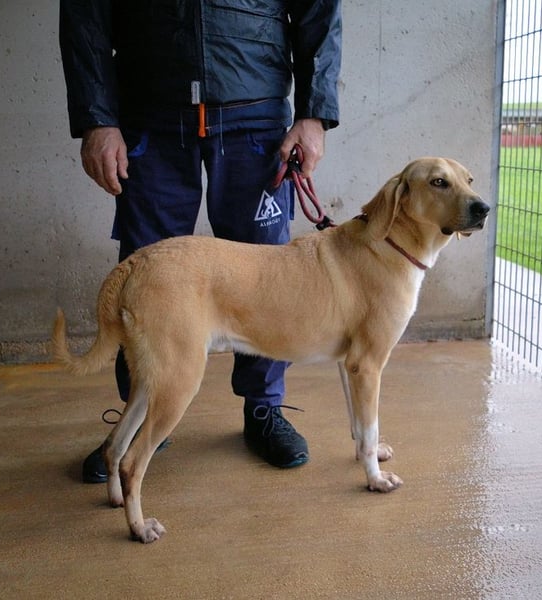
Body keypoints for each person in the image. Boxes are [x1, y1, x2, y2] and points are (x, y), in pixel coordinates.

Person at [59, 0, 342, 483]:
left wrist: (314, 114)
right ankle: (141, 419)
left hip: (254, 114)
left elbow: (318, 13)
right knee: (149, 278)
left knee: (268, 278)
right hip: (151, 115)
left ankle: (263, 409)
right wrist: (97, 119)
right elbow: (86, 14)